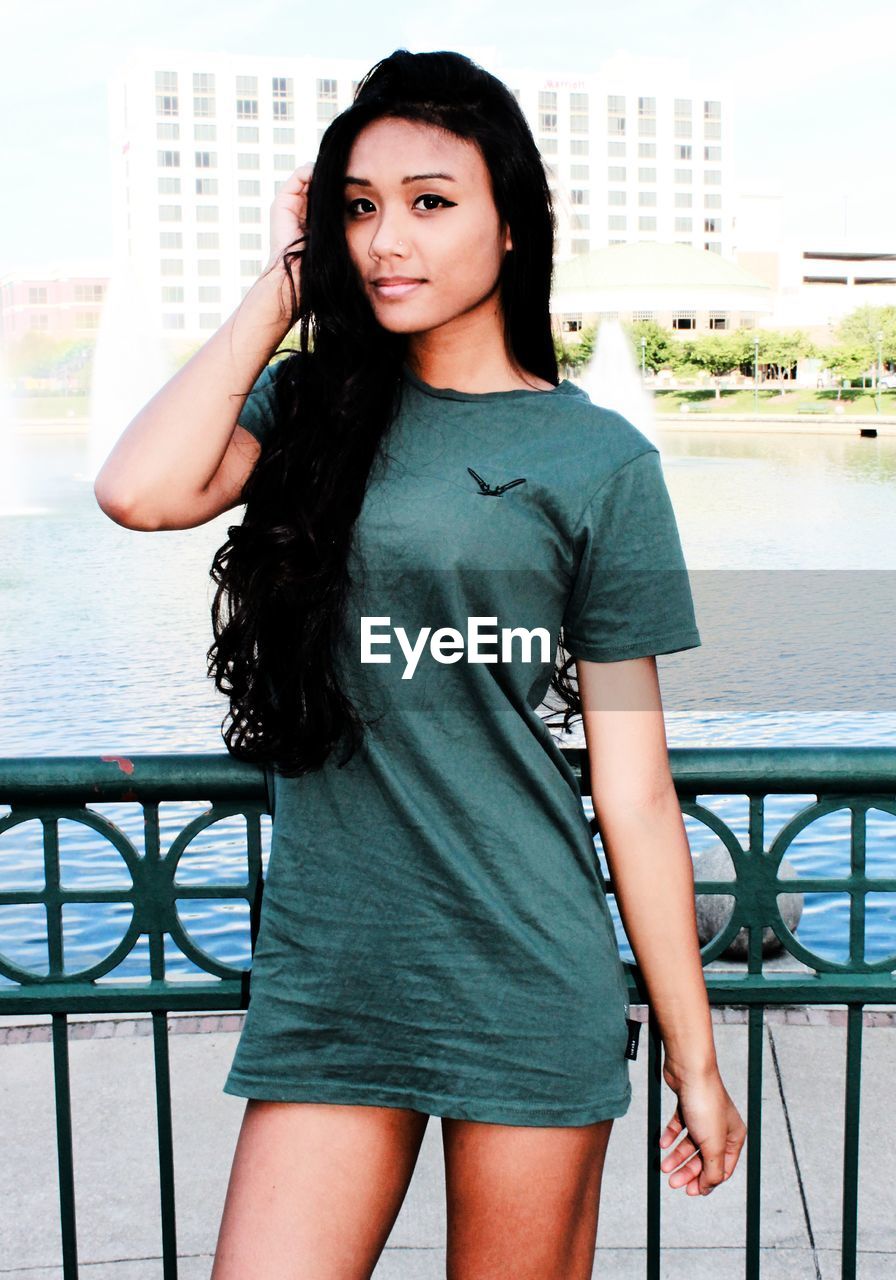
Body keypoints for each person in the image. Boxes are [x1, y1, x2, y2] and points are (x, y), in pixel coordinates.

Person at [94, 47, 746, 1280]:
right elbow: (137, 489)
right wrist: (279, 288)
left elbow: (635, 789)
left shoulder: (596, 460)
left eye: (430, 201)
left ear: (512, 226)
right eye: (359, 205)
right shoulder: (310, 410)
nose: (388, 236)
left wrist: (695, 1062)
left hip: (520, 968)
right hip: (334, 974)